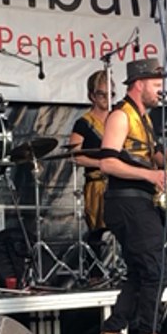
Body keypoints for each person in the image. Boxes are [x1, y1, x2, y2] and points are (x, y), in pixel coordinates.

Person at [93, 58, 167, 334]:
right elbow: (107, 162)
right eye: (157, 85)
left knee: (141, 272)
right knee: (157, 268)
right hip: (127, 200)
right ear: (139, 84)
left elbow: (147, 157)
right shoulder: (121, 116)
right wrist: (151, 175)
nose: (161, 91)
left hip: (140, 200)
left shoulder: (144, 118)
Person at [69, 69, 113, 236]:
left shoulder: (118, 119)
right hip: (97, 184)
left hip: (119, 183)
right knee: (98, 232)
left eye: (111, 94)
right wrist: (101, 164)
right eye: (102, 94)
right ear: (92, 96)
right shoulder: (83, 123)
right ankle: (94, 261)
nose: (107, 99)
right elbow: (75, 156)